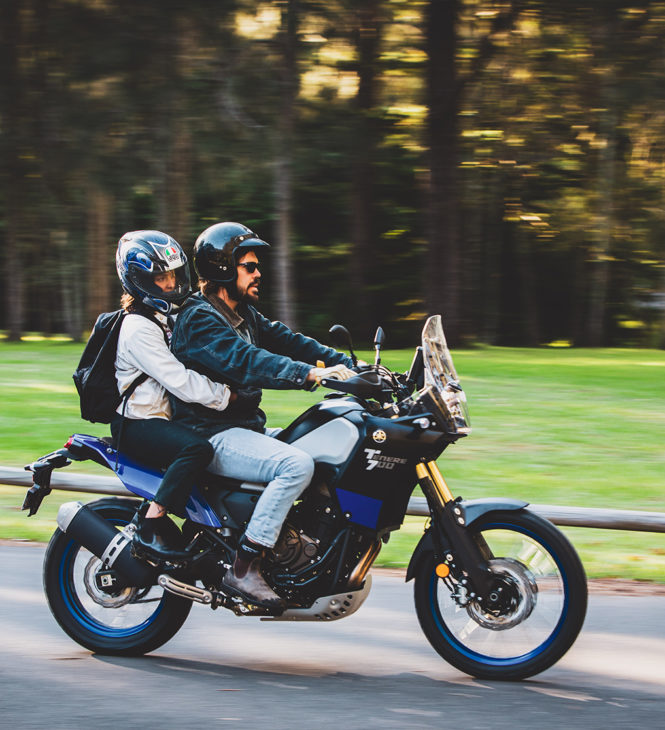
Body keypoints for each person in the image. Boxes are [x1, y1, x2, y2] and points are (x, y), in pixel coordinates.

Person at [170, 221, 355, 608]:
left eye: (256, 267)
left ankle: (299, 550)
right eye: (249, 266)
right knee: (296, 466)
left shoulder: (244, 314)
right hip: (209, 433)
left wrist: (354, 368)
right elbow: (246, 361)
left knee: (324, 451)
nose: (258, 274)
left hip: (243, 427)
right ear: (222, 269)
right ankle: (244, 566)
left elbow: (291, 341)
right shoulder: (199, 318)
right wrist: (309, 373)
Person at [113, 230, 234, 561]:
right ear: (140, 282)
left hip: (163, 416)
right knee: (197, 448)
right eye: (161, 278)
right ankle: (151, 524)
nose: (171, 285)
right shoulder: (138, 329)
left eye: (174, 276)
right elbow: (178, 380)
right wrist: (225, 396)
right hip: (138, 423)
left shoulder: (163, 317)